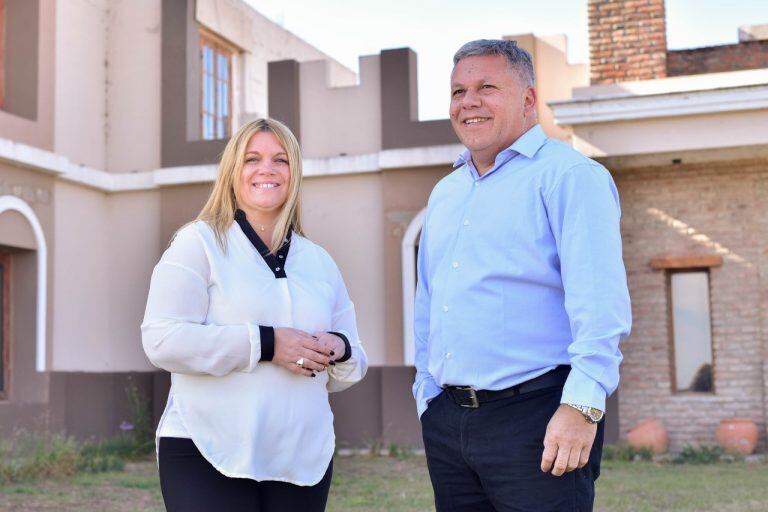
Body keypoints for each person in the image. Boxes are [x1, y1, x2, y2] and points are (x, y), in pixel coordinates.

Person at [413, 39, 632, 511]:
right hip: (450, 423)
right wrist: (427, 396)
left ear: (528, 100)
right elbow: (430, 302)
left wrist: (582, 406)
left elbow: (600, 305)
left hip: (540, 417)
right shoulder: (445, 194)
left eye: (486, 87)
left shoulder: (570, 176)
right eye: (458, 91)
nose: (468, 101)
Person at [141, 118, 367, 512]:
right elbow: (161, 340)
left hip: (302, 460)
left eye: (281, 159)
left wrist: (338, 349)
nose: (267, 169)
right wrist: (267, 343)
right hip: (204, 449)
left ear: (294, 173)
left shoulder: (319, 261)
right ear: (232, 171)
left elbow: (354, 363)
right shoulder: (199, 242)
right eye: (252, 159)